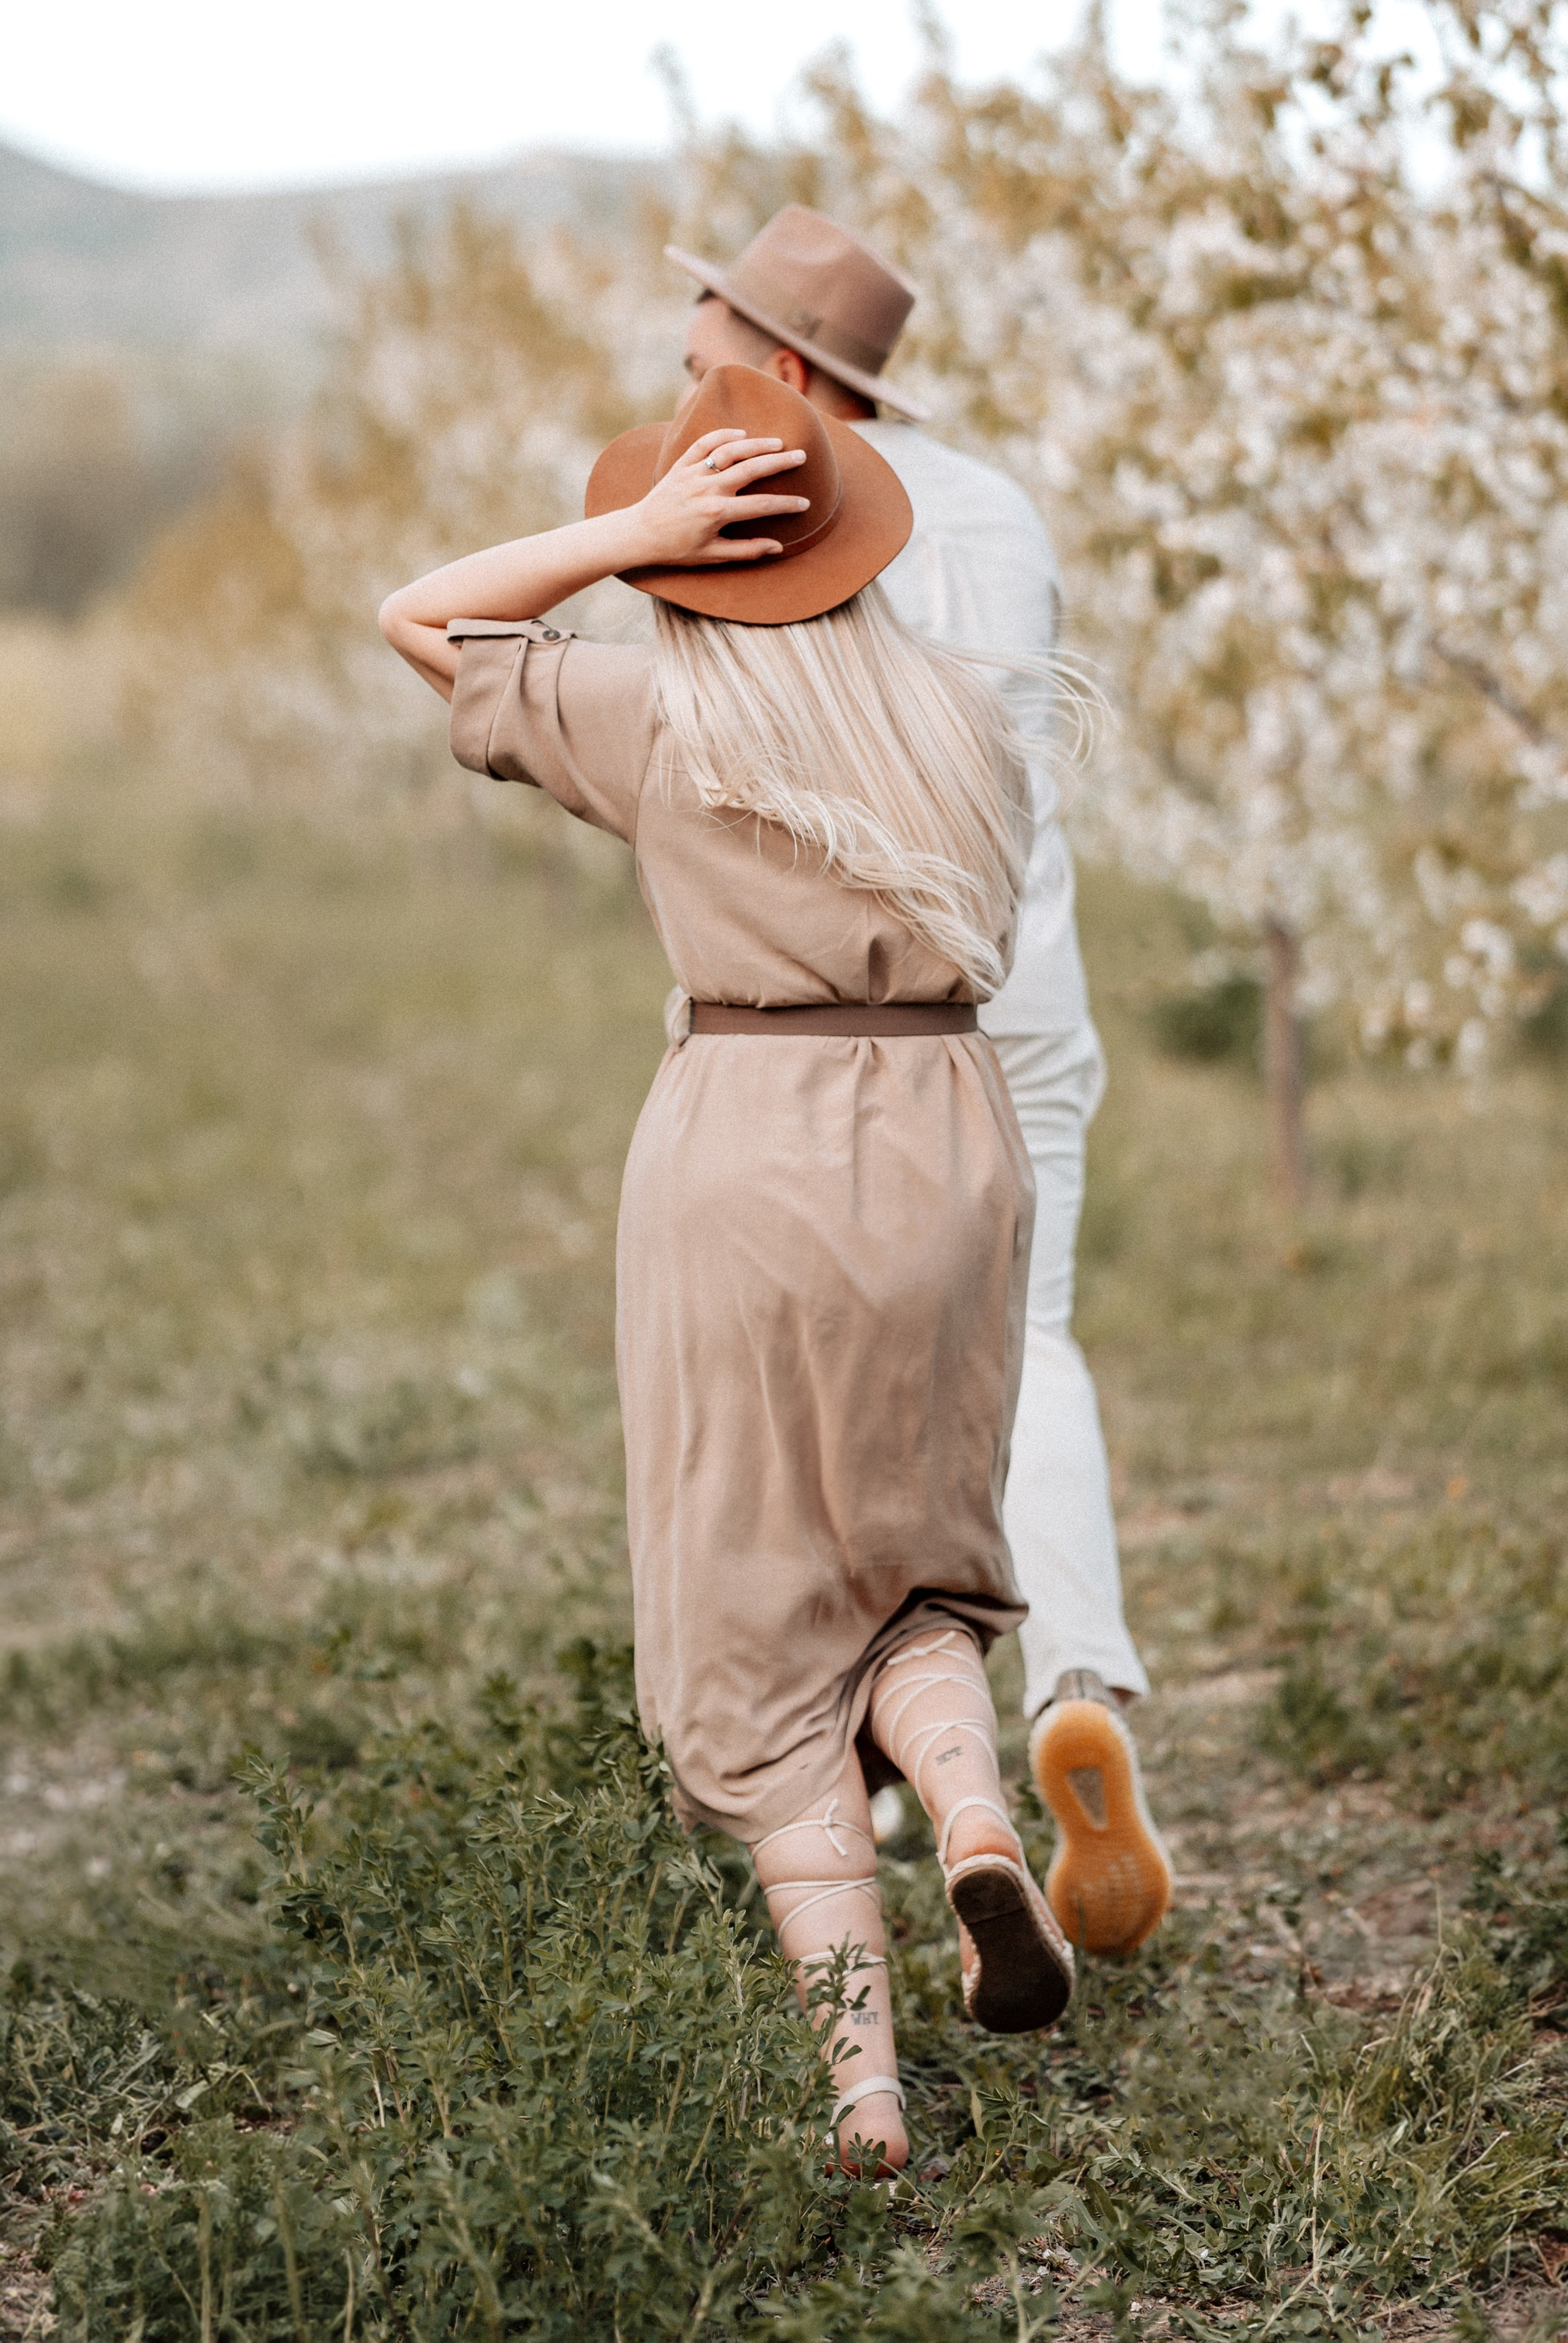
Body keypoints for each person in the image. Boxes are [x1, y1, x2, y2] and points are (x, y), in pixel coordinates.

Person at [379, 359, 1075, 2174]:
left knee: (755, 1607)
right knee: (916, 1558)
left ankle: (863, 2087)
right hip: (945, 1138)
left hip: (748, 1151)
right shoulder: (956, 720)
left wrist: (627, 537)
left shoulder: (655, 716)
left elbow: (418, 617)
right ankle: (975, 1819)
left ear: (699, 560)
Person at [663, 207, 1172, 1959]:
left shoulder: (769, 512)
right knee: (1020, 1352)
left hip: (830, 1029)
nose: (680, 388)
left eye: (705, 353)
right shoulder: (1002, 511)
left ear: (789, 373)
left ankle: (871, 1775)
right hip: (1020, 995)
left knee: (817, 1405)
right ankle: (1069, 1695)